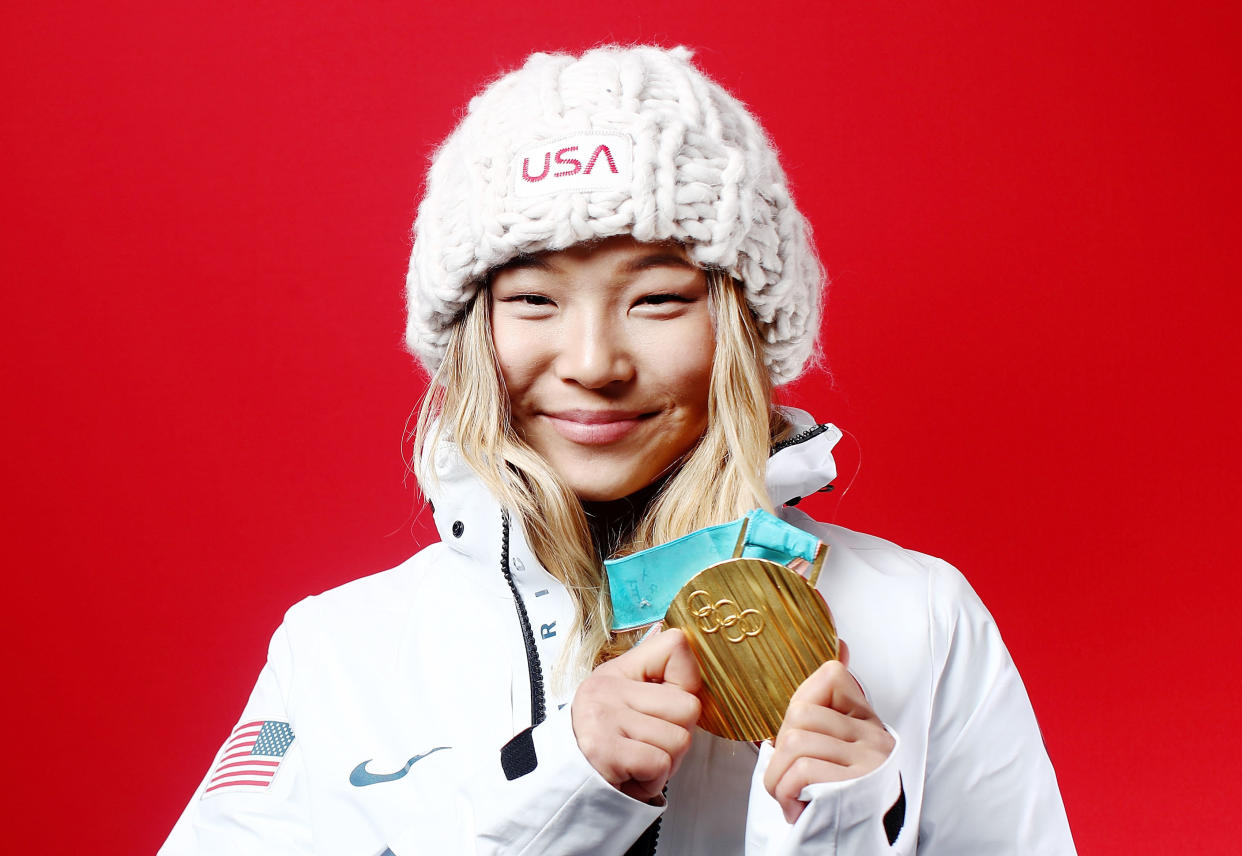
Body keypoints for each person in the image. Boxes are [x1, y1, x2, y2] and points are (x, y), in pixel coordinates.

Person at [161, 45, 1075, 854]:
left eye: (660, 300)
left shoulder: (920, 618)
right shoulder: (340, 648)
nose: (594, 364)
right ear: (468, 335)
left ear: (745, 331)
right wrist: (563, 795)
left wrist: (845, 831)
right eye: (532, 300)